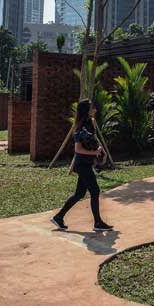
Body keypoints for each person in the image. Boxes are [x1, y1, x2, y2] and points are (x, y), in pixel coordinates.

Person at [50, 99, 113, 232]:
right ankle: (97, 222)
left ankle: (58, 217)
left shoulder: (90, 123)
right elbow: (78, 149)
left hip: (86, 163)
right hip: (82, 165)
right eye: (92, 108)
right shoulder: (80, 127)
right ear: (86, 111)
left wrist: (100, 150)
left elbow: (92, 141)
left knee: (79, 194)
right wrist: (95, 152)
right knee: (95, 190)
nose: (95, 109)